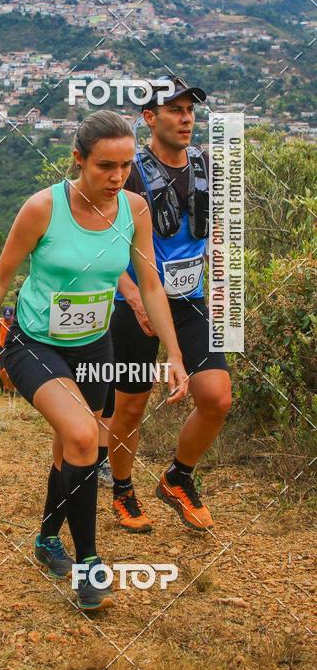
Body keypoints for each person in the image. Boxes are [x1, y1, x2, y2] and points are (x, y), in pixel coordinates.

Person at [0, 110, 188, 610]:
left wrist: (174, 353)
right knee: (85, 436)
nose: (117, 176)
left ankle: (46, 539)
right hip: (34, 343)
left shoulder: (134, 210)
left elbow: (150, 284)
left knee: (72, 449)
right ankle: (89, 566)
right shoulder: (43, 208)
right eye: (105, 165)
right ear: (78, 159)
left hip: (94, 346)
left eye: (126, 166)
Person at [103, 77, 231, 534]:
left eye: (190, 110)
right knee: (130, 407)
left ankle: (178, 478)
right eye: (175, 110)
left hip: (189, 301)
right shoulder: (131, 172)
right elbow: (102, 242)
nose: (186, 118)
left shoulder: (207, 164)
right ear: (149, 118)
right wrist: (132, 292)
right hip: (135, 305)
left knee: (216, 397)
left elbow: (215, 231)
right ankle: (122, 490)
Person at [0, 306, 14, 394]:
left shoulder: (16, 323)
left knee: (11, 370)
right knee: (3, 370)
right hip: (2, 347)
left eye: (9, 318)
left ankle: (12, 390)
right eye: (6, 318)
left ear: (13, 316)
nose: (7, 320)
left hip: (13, 348)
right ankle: (6, 387)